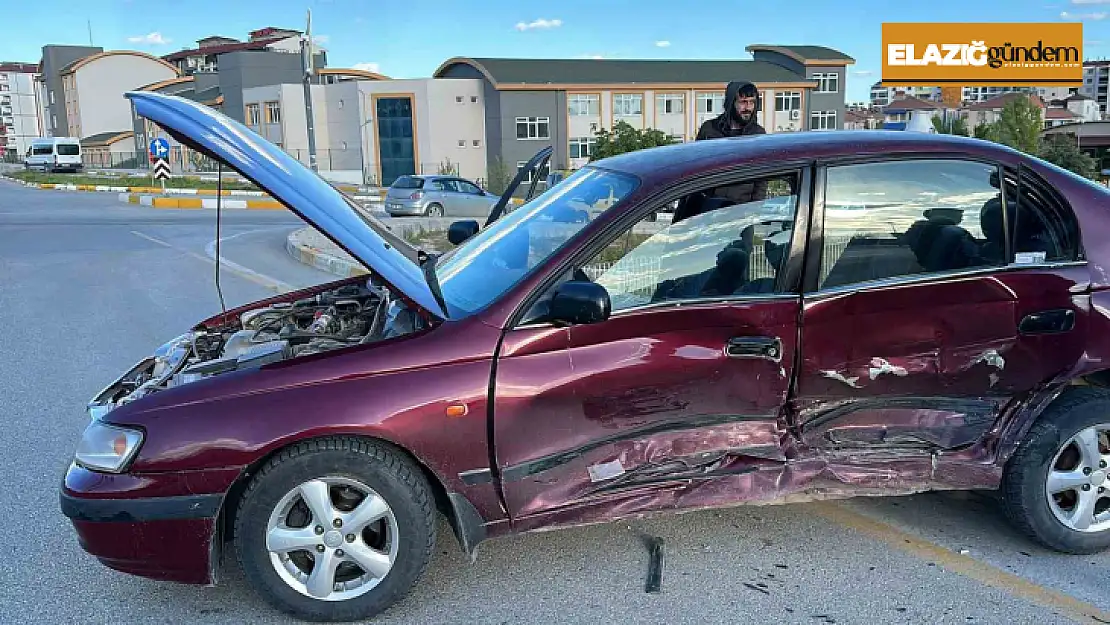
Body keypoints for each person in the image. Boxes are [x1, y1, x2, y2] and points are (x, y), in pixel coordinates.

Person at [673, 81, 768, 224]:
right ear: (731, 102)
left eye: (751, 102)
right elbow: (695, 168)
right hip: (709, 210)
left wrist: (755, 208)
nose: (747, 108)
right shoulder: (709, 130)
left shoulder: (758, 135)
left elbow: (762, 178)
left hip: (741, 211)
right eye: (742, 102)